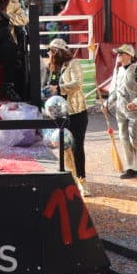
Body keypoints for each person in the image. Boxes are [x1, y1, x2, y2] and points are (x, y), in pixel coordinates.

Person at [42, 38, 89, 196]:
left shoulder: (73, 64)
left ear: (56, 52)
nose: (48, 53)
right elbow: (49, 86)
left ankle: (82, 180)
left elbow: (78, 84)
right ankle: (72, 179)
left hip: (76, 112)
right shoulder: (53, 68)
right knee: (64, 147)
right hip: (60, 114)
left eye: (50, 50)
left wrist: (58, 88)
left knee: (77, 147)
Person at [105, 44, 137, 179]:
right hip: (121, 110)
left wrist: (136, 103)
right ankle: (132, 168)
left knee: (135, 140)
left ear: (130, 56)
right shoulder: (119, 71)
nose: (118, 55)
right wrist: (106, 104)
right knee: (124, 139)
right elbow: (116, 92)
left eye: (121, 53)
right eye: (118, 53)